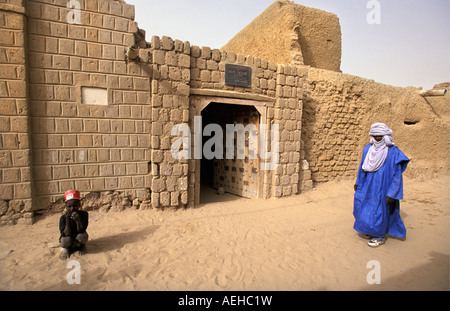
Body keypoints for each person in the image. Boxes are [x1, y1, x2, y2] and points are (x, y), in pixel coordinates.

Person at [353, 123, 410, 247]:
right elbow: (362, 167)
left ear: (385, 136)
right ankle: (369, 229)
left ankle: (379, 236)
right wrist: (358, 182)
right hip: (368, 185)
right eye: (375, 135)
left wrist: (392, 193)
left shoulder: (393, 151)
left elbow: (397, 175)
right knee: (363, 206)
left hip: (384, 187)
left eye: (380, 135)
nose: (377, 137)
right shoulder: (368, 149)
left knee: (379, 210)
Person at [59, 190, 89, 260]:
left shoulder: (84, 214)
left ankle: (81, 246)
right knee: (65, 240)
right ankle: (67, 249)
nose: (72, 209)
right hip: (68, 237)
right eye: (69, 206)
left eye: (75, 206)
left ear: (79, 205)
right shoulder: (63, 218)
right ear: (66, 206)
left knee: (83, 236)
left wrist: (78, 221)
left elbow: (82, 230)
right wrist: (68, 220)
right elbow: (66, 234)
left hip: (78, 236)